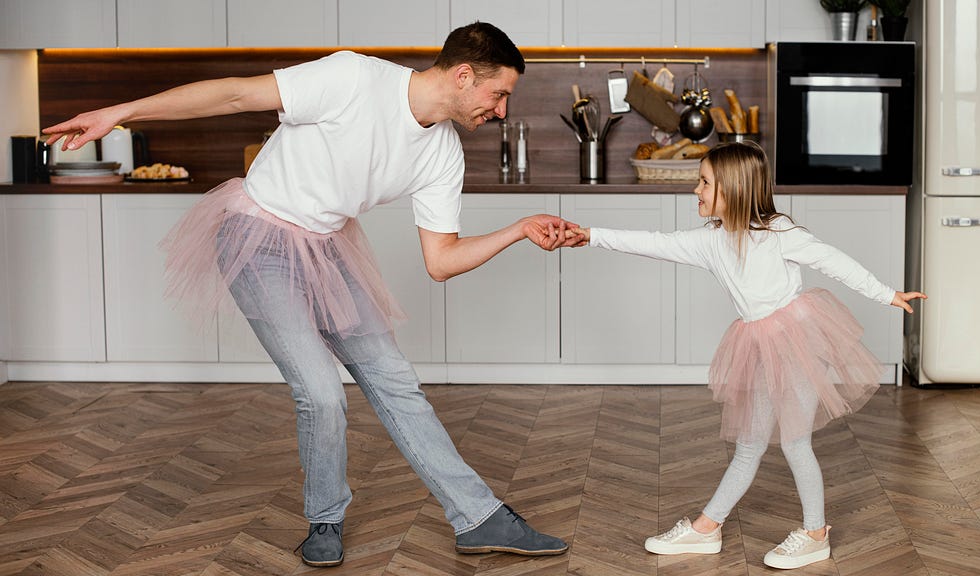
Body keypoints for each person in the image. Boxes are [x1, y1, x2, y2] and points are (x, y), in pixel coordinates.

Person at [43, 22, 582, 568]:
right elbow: (233, 92)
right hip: (259, 237)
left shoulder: (443, 152)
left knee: (394, 380)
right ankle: (325, 518)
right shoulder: (352, 77)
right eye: (499, 94)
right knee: (321, 390)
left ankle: (479, 518)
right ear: (465, 76)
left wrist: (517, 230)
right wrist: (118, 113)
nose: (501, 111)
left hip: (329, 247)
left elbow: (441, 262)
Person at [565, 142, 925, 570]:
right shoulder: (711, 241)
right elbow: (654, 242)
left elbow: (834, 262)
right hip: (758, 346)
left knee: (794, 442)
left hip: (800, 341)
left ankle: (815, 534)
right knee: (749, 445)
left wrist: (887, 294)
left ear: (733, 190)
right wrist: (591, 235)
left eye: (703, 182)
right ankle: (706, 528)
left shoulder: (779, 235)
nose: (695, 190)